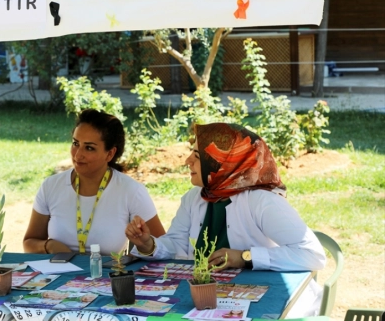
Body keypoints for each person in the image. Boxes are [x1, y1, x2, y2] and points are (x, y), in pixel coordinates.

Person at [126, 123, 326, 316]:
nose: (187, 161)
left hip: (267, 302)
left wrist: (244, 257)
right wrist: (148, 245)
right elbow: (177, 245)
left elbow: (312, 255)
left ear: (223, 162)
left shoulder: (262, 201)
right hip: (205, 300)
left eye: (197, 156)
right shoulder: (194, 197)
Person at [24, 109, 165, 256]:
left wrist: (144, 245)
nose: (78, 154)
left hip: (107, 277)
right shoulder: (51, 186)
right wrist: (50, 246)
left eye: (89, 148)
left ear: (110, 154)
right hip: (58, 276)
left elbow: (163, 247)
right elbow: (29, 243)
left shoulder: (130, 191)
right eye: (75, 143)